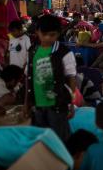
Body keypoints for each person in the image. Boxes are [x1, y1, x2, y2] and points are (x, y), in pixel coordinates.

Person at [24, 14, 77, 142]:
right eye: (44, 34)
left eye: (52, 35)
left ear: (58, 34)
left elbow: (71, 78)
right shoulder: (32, 51)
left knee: (61, 141)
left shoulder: (64, 52)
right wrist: (26, 103)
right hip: (37, 105)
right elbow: (28, 77)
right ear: (37, 32)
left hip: (57, 105)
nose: (48, 38)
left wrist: (71, 102)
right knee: (41, 140)